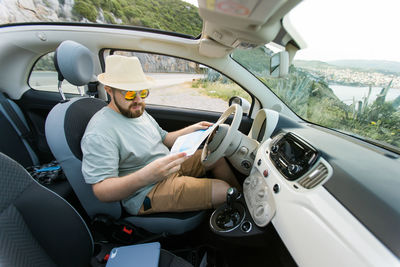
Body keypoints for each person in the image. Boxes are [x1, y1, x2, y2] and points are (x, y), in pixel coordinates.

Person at [81, 55, 240, 215]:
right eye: (129, 94)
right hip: (146, 190)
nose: (138, 100)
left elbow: (164, 138)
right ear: (109, 90)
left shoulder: (136, 111)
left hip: (167, 164)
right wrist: (147, 176)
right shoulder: (99, 132)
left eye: (143, 93)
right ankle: (238, 212)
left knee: (215, 157)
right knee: (223, 190)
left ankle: (243, 204)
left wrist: (193, 128)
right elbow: (102, 191)